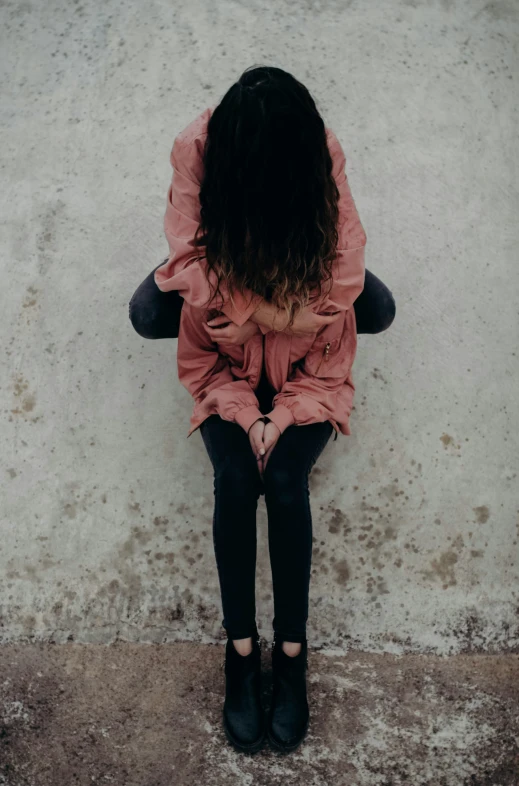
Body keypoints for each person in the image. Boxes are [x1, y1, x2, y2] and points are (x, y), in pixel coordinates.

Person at [129, 66, 395, 754]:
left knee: (282, 479)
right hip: (229, 349)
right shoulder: (198, 149)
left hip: (303, 347)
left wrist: (283, 346)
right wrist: (248, 406)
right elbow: (190, 267)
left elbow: (343, 267)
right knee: (236, 477)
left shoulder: (318, 149)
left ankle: (293, 654)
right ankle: (241, 654)